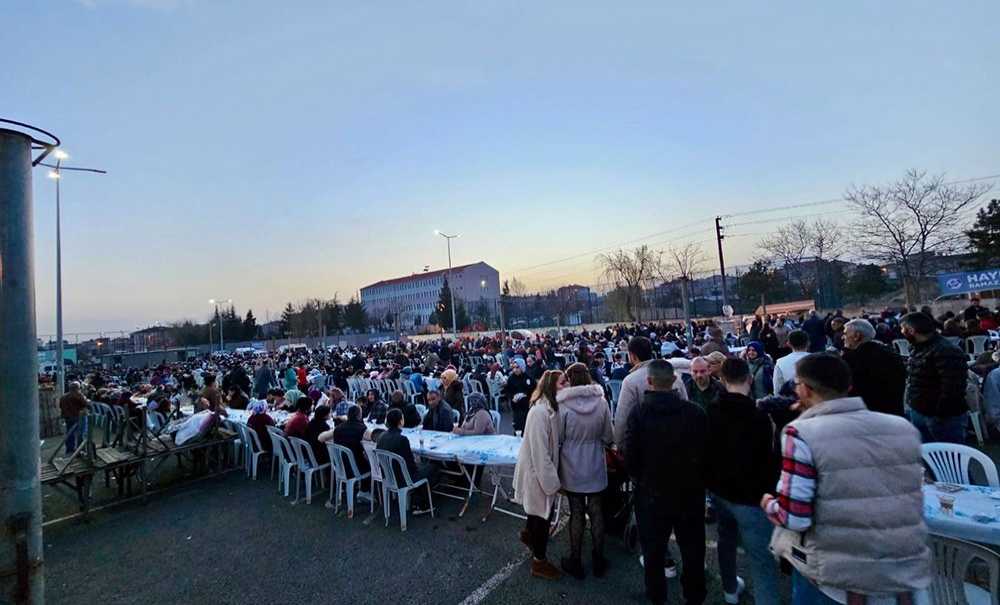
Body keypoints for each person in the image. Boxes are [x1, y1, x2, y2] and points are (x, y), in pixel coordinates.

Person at [764, 353, 931, 604]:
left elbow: (794, 516)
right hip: (898, 565)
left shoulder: (801, 433)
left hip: (832, 573)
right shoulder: (901, 426)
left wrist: (769, 504)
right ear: (848, 387)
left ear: (806, 390)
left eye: (798, 384)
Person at [625, 359, 708, 605]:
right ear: (674, 381)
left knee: (653, 552)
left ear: (649, 382)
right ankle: (694, 595)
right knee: (692, 549)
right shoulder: (694, 412)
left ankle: (656, 597)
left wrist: (640, 478)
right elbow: (706, 452)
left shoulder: (639, 414)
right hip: (688, 493)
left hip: (652, 493)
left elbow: (632, 457)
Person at [708, 359, 781, 605]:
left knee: (725, 541)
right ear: (749, 379)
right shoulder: (759, 416)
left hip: (720, 491)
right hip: (752, 497)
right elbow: (768, 459)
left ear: (722, 380)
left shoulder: (712, 410)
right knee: (762, 561)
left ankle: (730, 589)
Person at [556, 363, 613, 580]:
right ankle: (599, 558)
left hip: (572, 463)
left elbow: (559, 438)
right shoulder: (601, 402)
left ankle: (575, 559)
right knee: (597, 511)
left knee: (576, 511)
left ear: (570, 379)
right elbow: (609, 435)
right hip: (595, 462)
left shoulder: (564, 406)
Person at [513, 370, 564, 580]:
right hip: (537, 472)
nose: (566, 386)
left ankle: (528, 534)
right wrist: (552, 482)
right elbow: (540, 452)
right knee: (544, 515)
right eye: (562, 383)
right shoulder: (539, 412)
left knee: (537, 511)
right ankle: (539, 562)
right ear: (552, 386)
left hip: (540, 470)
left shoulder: (550, 408)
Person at [901, 311, 969, 443]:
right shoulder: (917, 347)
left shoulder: (946, 350)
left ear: (911, 330)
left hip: (942, 417)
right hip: (919, 410)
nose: (902, 332)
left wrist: (940, 413)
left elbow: (953, 387)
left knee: (948, 459)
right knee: (927, 456)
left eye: (903, 329)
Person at [613, 336, 688, 448]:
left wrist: (619, 444)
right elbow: (685, 404)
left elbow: (622, 417)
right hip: (677, 440)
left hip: (646, 445)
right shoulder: (674, 375)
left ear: (632, 356)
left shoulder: (630, 381)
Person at [376, 408, 438, 512]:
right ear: (401, 421)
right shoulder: (402, 439)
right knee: (433, 466)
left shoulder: (381, 436)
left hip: (387, 475)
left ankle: (418, 496)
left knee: (423, 466)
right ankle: (422, 503)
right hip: (403, 477)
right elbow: (411, 465)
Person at [841, 318, 906, 416]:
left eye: (845, 333)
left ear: (857, 336)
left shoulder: (854, 358)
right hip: (894, 412)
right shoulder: (890, 353)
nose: (843, 337)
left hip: (867, 414)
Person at [321, 404, 370, 477]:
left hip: (340, 465)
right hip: (355, 467)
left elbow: (321, 438)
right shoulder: (362, 429)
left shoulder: (338, 428)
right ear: (359, 415)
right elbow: (372, 438)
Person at [503, 358, 535, 433]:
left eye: (517, 367)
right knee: (518, 428)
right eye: (513, 367)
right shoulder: (511, 378)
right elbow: (508, 390)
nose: (515, 370)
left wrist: (526, 394)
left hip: (528, 407)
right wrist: (512, 397)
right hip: (517, 407)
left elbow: (533, 390)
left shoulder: (528, 378)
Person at [773, 329, 810, 394]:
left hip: (790, 400)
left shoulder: (780, 362)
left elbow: (777, 388)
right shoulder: (817, 359)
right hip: (815, 401)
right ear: (808, 343)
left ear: (789, 344)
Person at [59, 381, 89, 454]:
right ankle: (80, 449)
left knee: (70, 433)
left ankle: (70, 450)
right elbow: (86, 404)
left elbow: (61, 407)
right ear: (77, 388)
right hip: (78, 417)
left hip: (68, 417)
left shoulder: (63, 396)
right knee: (81, 433)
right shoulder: (78, 395)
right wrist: (85, 397)